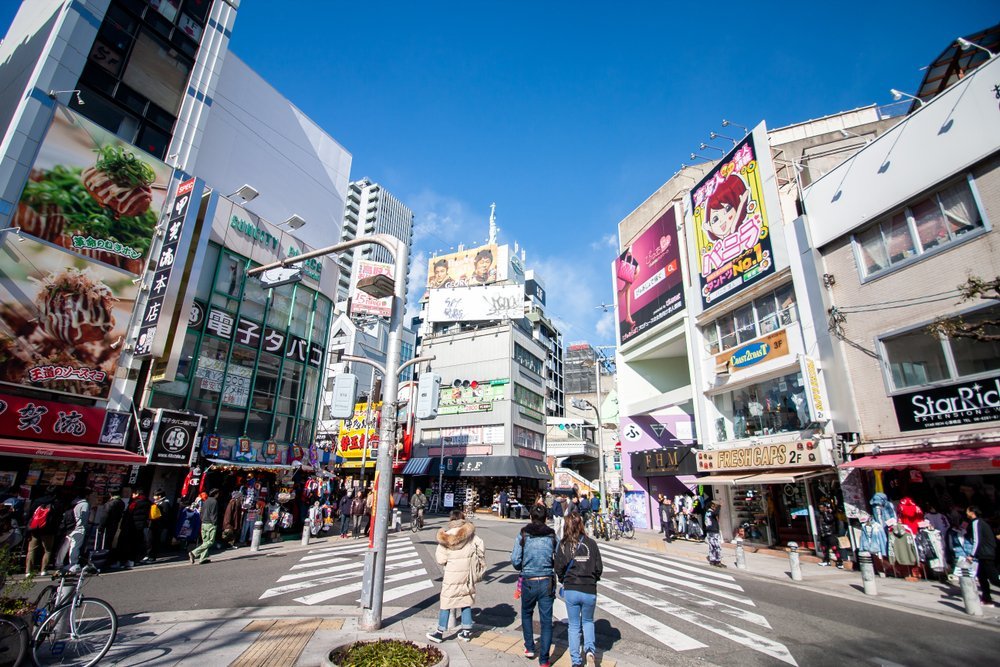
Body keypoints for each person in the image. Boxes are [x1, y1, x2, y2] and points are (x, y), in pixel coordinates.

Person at [427, 510, 484, 644]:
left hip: (451, 574)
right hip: (467, 573)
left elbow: (440, 559)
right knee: (465, 600)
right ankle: (466, 631)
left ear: (451, 520)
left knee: (447, 601)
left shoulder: (446, 537)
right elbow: (480, 547)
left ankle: (440, 632)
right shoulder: (471, 535)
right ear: (463, 520)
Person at [554, 512, 603, 667]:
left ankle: (576, 660)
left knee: (574, 626)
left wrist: (563, 580)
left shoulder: (563, 544)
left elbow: (558, 567)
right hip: (589, 588)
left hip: (571, 588)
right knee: (588, 621)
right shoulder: (591, 543)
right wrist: (592, 579)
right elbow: (599, 568)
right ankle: (589, 650)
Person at [511, 505, 557, 666]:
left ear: (531, 516)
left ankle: (529, 647)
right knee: (546, 620)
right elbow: (557, 558)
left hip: (528, 579)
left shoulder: (524, 533)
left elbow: (515, 560)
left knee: (526, 613)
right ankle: (544, 659)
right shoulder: (551, 535)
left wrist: (522, 566)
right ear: (546, 518)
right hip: (546, 580)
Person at [966, 505, 1000, 607]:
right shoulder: (982, 522)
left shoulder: (976, 522)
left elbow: (977, 540)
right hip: (985, 553)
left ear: (972, 512)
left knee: (994, 579)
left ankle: (987, 598)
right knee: (981, 577)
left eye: (967, 511)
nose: (966, 513)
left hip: (986, 554)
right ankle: (986, 598)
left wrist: (972, 555)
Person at [25, 486, 61, 575]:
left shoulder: (37, 501)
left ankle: (28, 571)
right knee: (48, 550)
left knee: (32, 550)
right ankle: (43, 570)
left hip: (35, 528)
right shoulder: (56, 502)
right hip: (49, 529)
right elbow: (58, 516)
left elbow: (29, 514)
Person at [55, 488, 91, 572]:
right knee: (75, 547)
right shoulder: (84, 504)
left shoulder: (74, 503)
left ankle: (58, 563)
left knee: (65, 546)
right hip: (79, 528)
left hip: (70, 527)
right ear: (87, 496)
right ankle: (73, 564)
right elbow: (84, 517)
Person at [189, 489, 220, 565]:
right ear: (216, 494)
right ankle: (194, 553)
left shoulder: (206, 501)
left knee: (205, 541)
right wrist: (215, 523)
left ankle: (203, 558)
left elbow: (201, 512)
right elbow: (214, 514)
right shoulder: (214, 502)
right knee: (210, 541)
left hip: (203, 523)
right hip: (210, 523)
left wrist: (202, 519)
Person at [817, 502, 844, 569]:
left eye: (821, 507)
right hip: (823, 534)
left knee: (835, 548)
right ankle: (826, 560)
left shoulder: (830, 514)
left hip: (830, 533)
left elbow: (828, 521)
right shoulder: (820, 515)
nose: (820, 509)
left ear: (825, 507)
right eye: (819, 507)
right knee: (824, 548)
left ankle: (840, 562)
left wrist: (825, 513)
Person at [147, 490, 170, 560]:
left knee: (153, 540)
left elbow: (165, 515)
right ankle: (149, 555)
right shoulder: (156, 503)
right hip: (153, 524)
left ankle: (151, 556)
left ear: (159, 496)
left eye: (155, 495)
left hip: (158, 525)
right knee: (150, 539)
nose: (153, 497)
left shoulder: (165, 504)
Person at [704, 501, 725, 568]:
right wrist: (719, 506)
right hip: (713, 532)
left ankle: (712, 560)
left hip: (709, 532)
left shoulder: (707, 512)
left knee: (712, 547)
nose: (715, 507)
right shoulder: (711, 512)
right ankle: (718, 561)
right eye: (714, 506)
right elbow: (716, 513)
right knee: (717, 547)